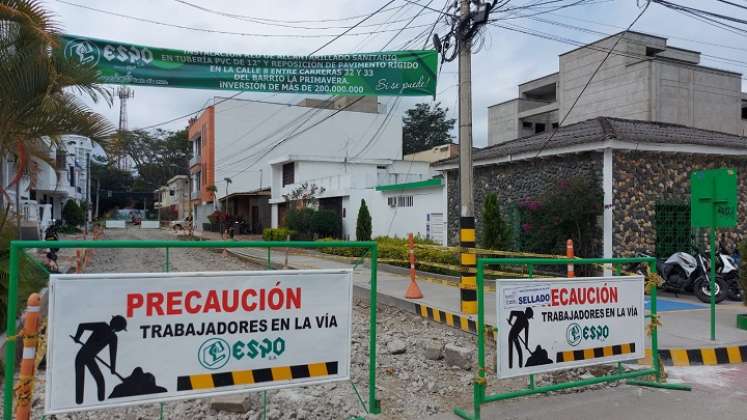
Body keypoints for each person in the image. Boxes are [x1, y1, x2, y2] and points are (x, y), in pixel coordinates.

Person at [73, 316, 127, 404]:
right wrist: (77, 337)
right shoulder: (104, 328)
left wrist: (112, 369)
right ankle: (81, 402)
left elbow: (112, 354)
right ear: (119, 328)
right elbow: (82, 325)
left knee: (99, 380)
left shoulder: (111, 335)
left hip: (88, 357)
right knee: (82, 379)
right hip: (83, 356)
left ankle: (100, 401)